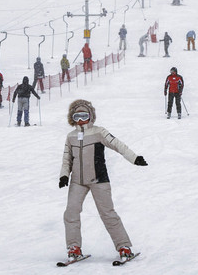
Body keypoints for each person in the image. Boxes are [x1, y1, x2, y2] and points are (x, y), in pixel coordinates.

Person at [59, 98, 147, 263]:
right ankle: (74, 248)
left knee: (107, 213)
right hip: (77, 181)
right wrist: (64, 175)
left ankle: (124, 247)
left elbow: (118, 145)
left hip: (98, 179)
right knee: (70, 212)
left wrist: (134, 158)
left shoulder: (99, 132)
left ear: (91, 116)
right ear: (72, 118)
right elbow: (66, 159)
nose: (80, 120)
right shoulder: (70, 136)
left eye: (84, 115)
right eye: (77, 116)